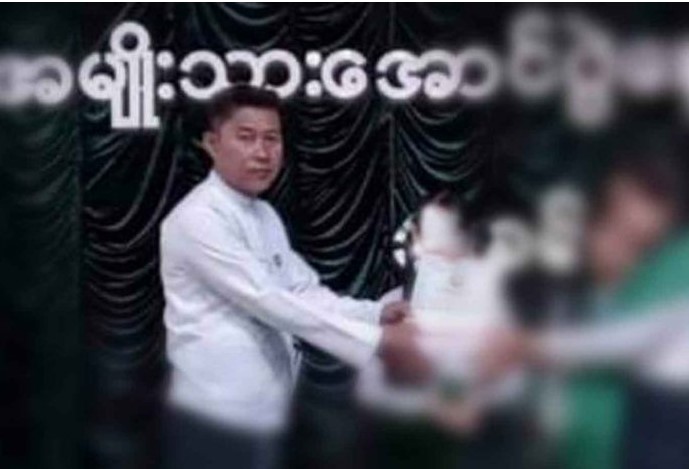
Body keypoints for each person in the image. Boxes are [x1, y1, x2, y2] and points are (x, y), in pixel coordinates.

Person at [160, 85, 428, 469]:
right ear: (212, 143)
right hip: (213, 412)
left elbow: (301, 291)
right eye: (246, 137)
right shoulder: (197, 219)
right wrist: (379, 343)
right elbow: (267, 300)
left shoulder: (264, 215)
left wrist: (374, 314)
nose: (262, 152)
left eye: (272, 138)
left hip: (263, 411)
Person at [474, 142, 688, 469]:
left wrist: (527, 346)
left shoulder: (668, 279)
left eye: (639, 245)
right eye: (613, 226)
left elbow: (630, 339)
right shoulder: (555, 296)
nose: (620, 249)